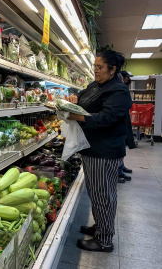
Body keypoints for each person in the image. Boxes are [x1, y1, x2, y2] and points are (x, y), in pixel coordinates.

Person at [68, 50, 132, 252]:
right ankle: (100, 226)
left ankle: (104, 240)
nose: (95, 70)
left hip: (104, 152)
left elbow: (106, 118)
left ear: (112, 69)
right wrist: (73, 99)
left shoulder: (119, 91)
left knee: (103, 196)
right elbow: (82, 97)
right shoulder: (97, 85)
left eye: (99, 67)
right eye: (94, 66)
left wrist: (77, 117)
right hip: (92, 149)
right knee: (97, 194)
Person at [117, 71, 136, 182]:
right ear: (122, 78)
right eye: (127, 77)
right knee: (120, 146)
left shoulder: (123, 88)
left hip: (124, 119)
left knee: (123, 145)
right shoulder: (120, 89)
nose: (129, 79)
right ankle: (118, 171)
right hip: (120, 121)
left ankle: (121, 167)